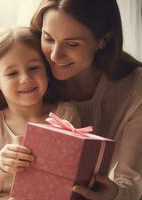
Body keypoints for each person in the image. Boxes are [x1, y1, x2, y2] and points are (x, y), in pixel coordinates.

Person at [30, 0, 142, 199]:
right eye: (48, 38)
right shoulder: (28, 73)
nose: (55, 56)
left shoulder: (134, 87)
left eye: (72, 44)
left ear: (104, 40)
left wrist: (114, 193)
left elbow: (131, 181)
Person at [0, 26, 80, 199]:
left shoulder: (65, 115)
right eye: (12, 73)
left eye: (33, 68)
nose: (25, 78)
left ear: (47, 71)